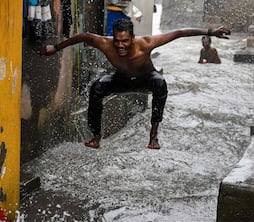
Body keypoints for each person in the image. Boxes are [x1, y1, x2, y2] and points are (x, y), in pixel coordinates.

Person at [41, 19, 230, 149]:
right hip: (121, 78)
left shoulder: (146, 43)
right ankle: (96, 137)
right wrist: (55, 48)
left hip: (146, 78)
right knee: (97, 87)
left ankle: (153, 134)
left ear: (132, 38)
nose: (120, 46)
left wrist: (211, 32)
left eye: (125, 41)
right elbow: (83, 36)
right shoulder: (105, 44)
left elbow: (179, 33)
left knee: (161, 83)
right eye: (117, 41)